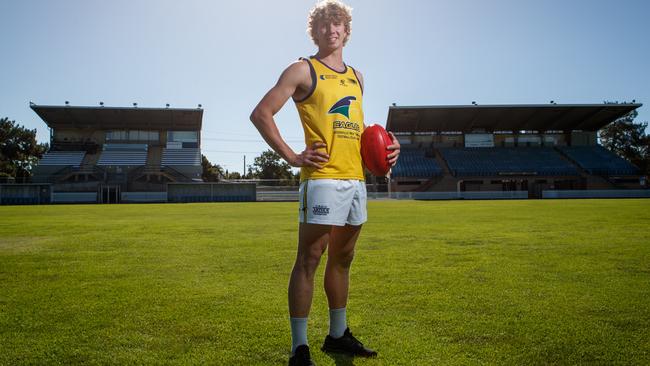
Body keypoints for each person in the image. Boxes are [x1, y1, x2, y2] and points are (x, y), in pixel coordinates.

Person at [250, 1, 400, 365]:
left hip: (355, 180)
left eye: (338, 24)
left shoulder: (358, 77)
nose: (331, 29)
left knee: (343, 259)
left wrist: (388, 147)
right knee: (309, 258)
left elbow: (358, 130)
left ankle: (337, 335)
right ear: (314, 32)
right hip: (322, 180)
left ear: (346, 31)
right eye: (323, 24)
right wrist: (291, 155)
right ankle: (299, 348)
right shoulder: (303, 70)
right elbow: (261, 113)